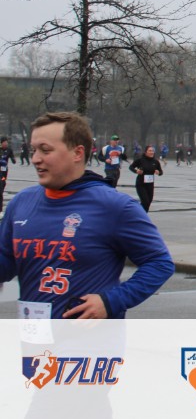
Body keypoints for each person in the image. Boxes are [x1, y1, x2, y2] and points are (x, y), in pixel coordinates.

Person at [0, 111, 174, 318]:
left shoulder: (115, 206)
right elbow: (7, 260)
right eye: (33, 150)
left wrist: (111, 301)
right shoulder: (21, 202)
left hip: (89, 335)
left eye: (45, 150)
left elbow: (159, 263)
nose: (35, 159)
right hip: (34, 333)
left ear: (77, 153)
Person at [129, 145, 164, 213]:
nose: (151, 152)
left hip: (150, 185)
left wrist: (158, 172)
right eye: (150, 151)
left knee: (148, 202)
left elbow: (161, 172)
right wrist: (136, 171)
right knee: (145, 201)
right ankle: (140, 215)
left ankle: (141, 215)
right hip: (141, 184)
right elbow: (131, 167)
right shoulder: (140, 160)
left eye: (152, 151)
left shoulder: (155, 161)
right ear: (145, 152)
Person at [0, 136, 14, 211]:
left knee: (3, 182)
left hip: (4, 171)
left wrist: (13, 159)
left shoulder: (9, 150)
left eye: (6, 142)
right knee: (1, 184)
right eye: (4, 142)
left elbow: (12, 156)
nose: (6, 144)